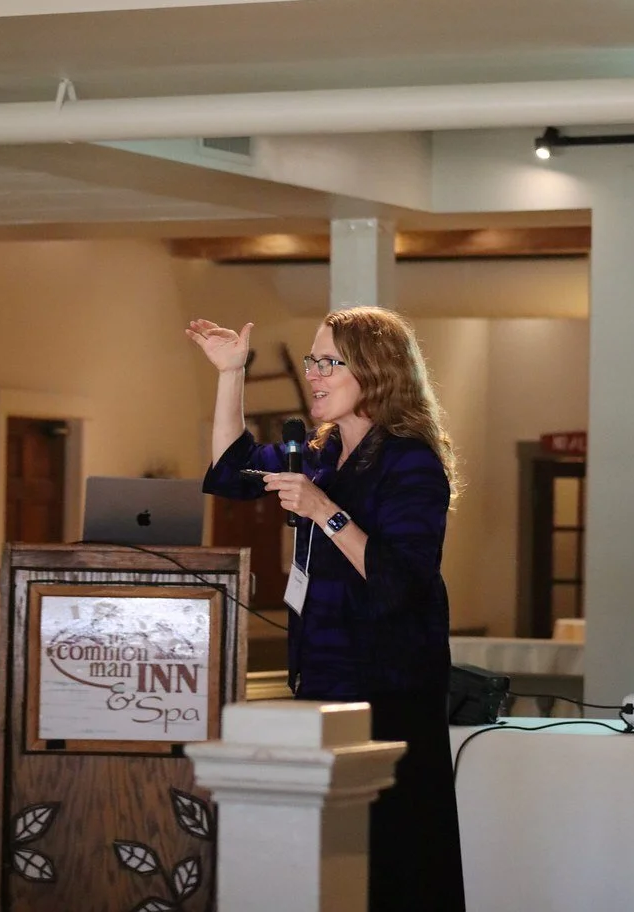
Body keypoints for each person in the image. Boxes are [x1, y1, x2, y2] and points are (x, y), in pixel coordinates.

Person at [186, 306, 466, 912]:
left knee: (394, 861)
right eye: (313, 361)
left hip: (390, 689)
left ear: (375, 371)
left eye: (329, 362)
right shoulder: (319, 453)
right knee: (334, 866)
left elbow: (400, 584)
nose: (314, 374)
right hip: (325, 680)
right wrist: (231, 373)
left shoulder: (409, 461)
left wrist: (324, 512)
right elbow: (230, 471)